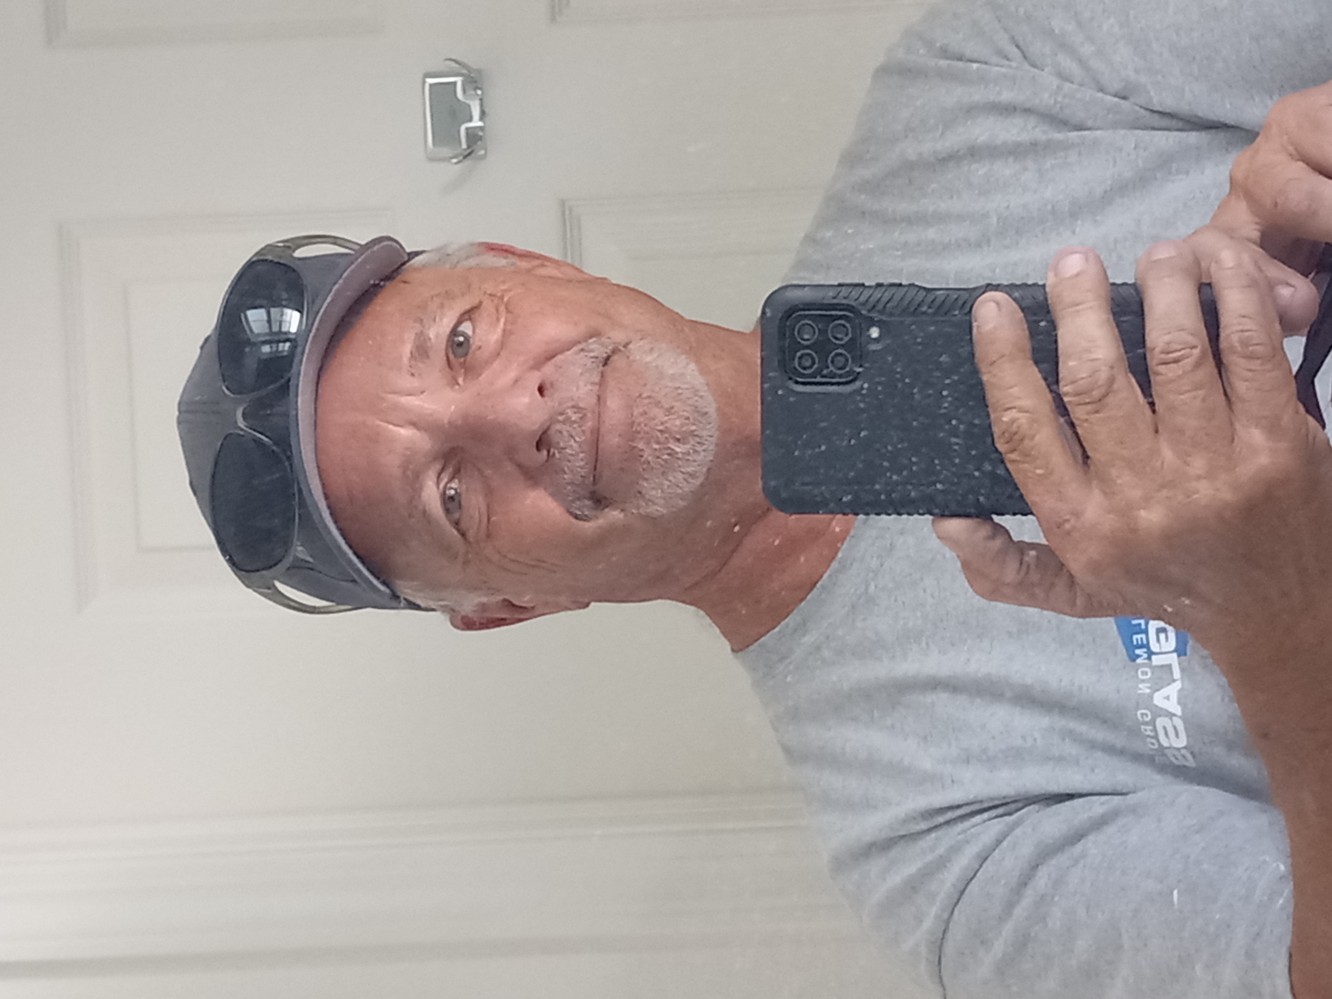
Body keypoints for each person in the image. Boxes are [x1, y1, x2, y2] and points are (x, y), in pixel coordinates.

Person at [176, 0, 1332, 995]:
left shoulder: (984, 89)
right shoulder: (937, 842)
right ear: (509, 608)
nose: (505, 418)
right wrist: (1279, 622)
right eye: (451, 498)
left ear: (531, 263)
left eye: (463, 340)